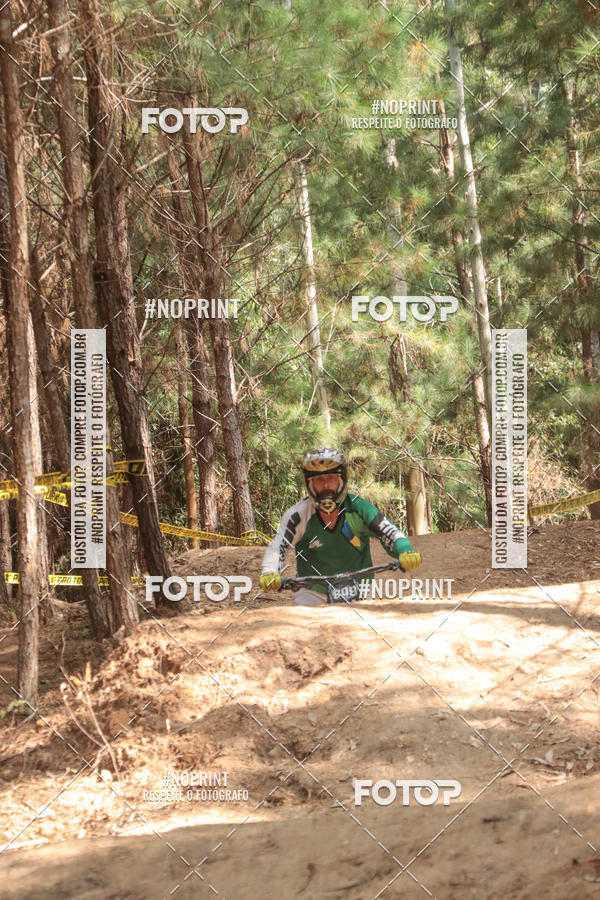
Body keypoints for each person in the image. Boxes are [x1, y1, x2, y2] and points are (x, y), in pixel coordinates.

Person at [259, 447, 422, 606]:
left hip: (361, 588)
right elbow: (278, 546)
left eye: (331, 478)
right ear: (310, 484)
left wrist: (405, 549)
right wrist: (270, 571)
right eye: (319, 480)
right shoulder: (297, 515)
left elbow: (389, 531)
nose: (326, 486)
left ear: (342, 480)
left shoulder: (359, 508)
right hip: (312, 592)